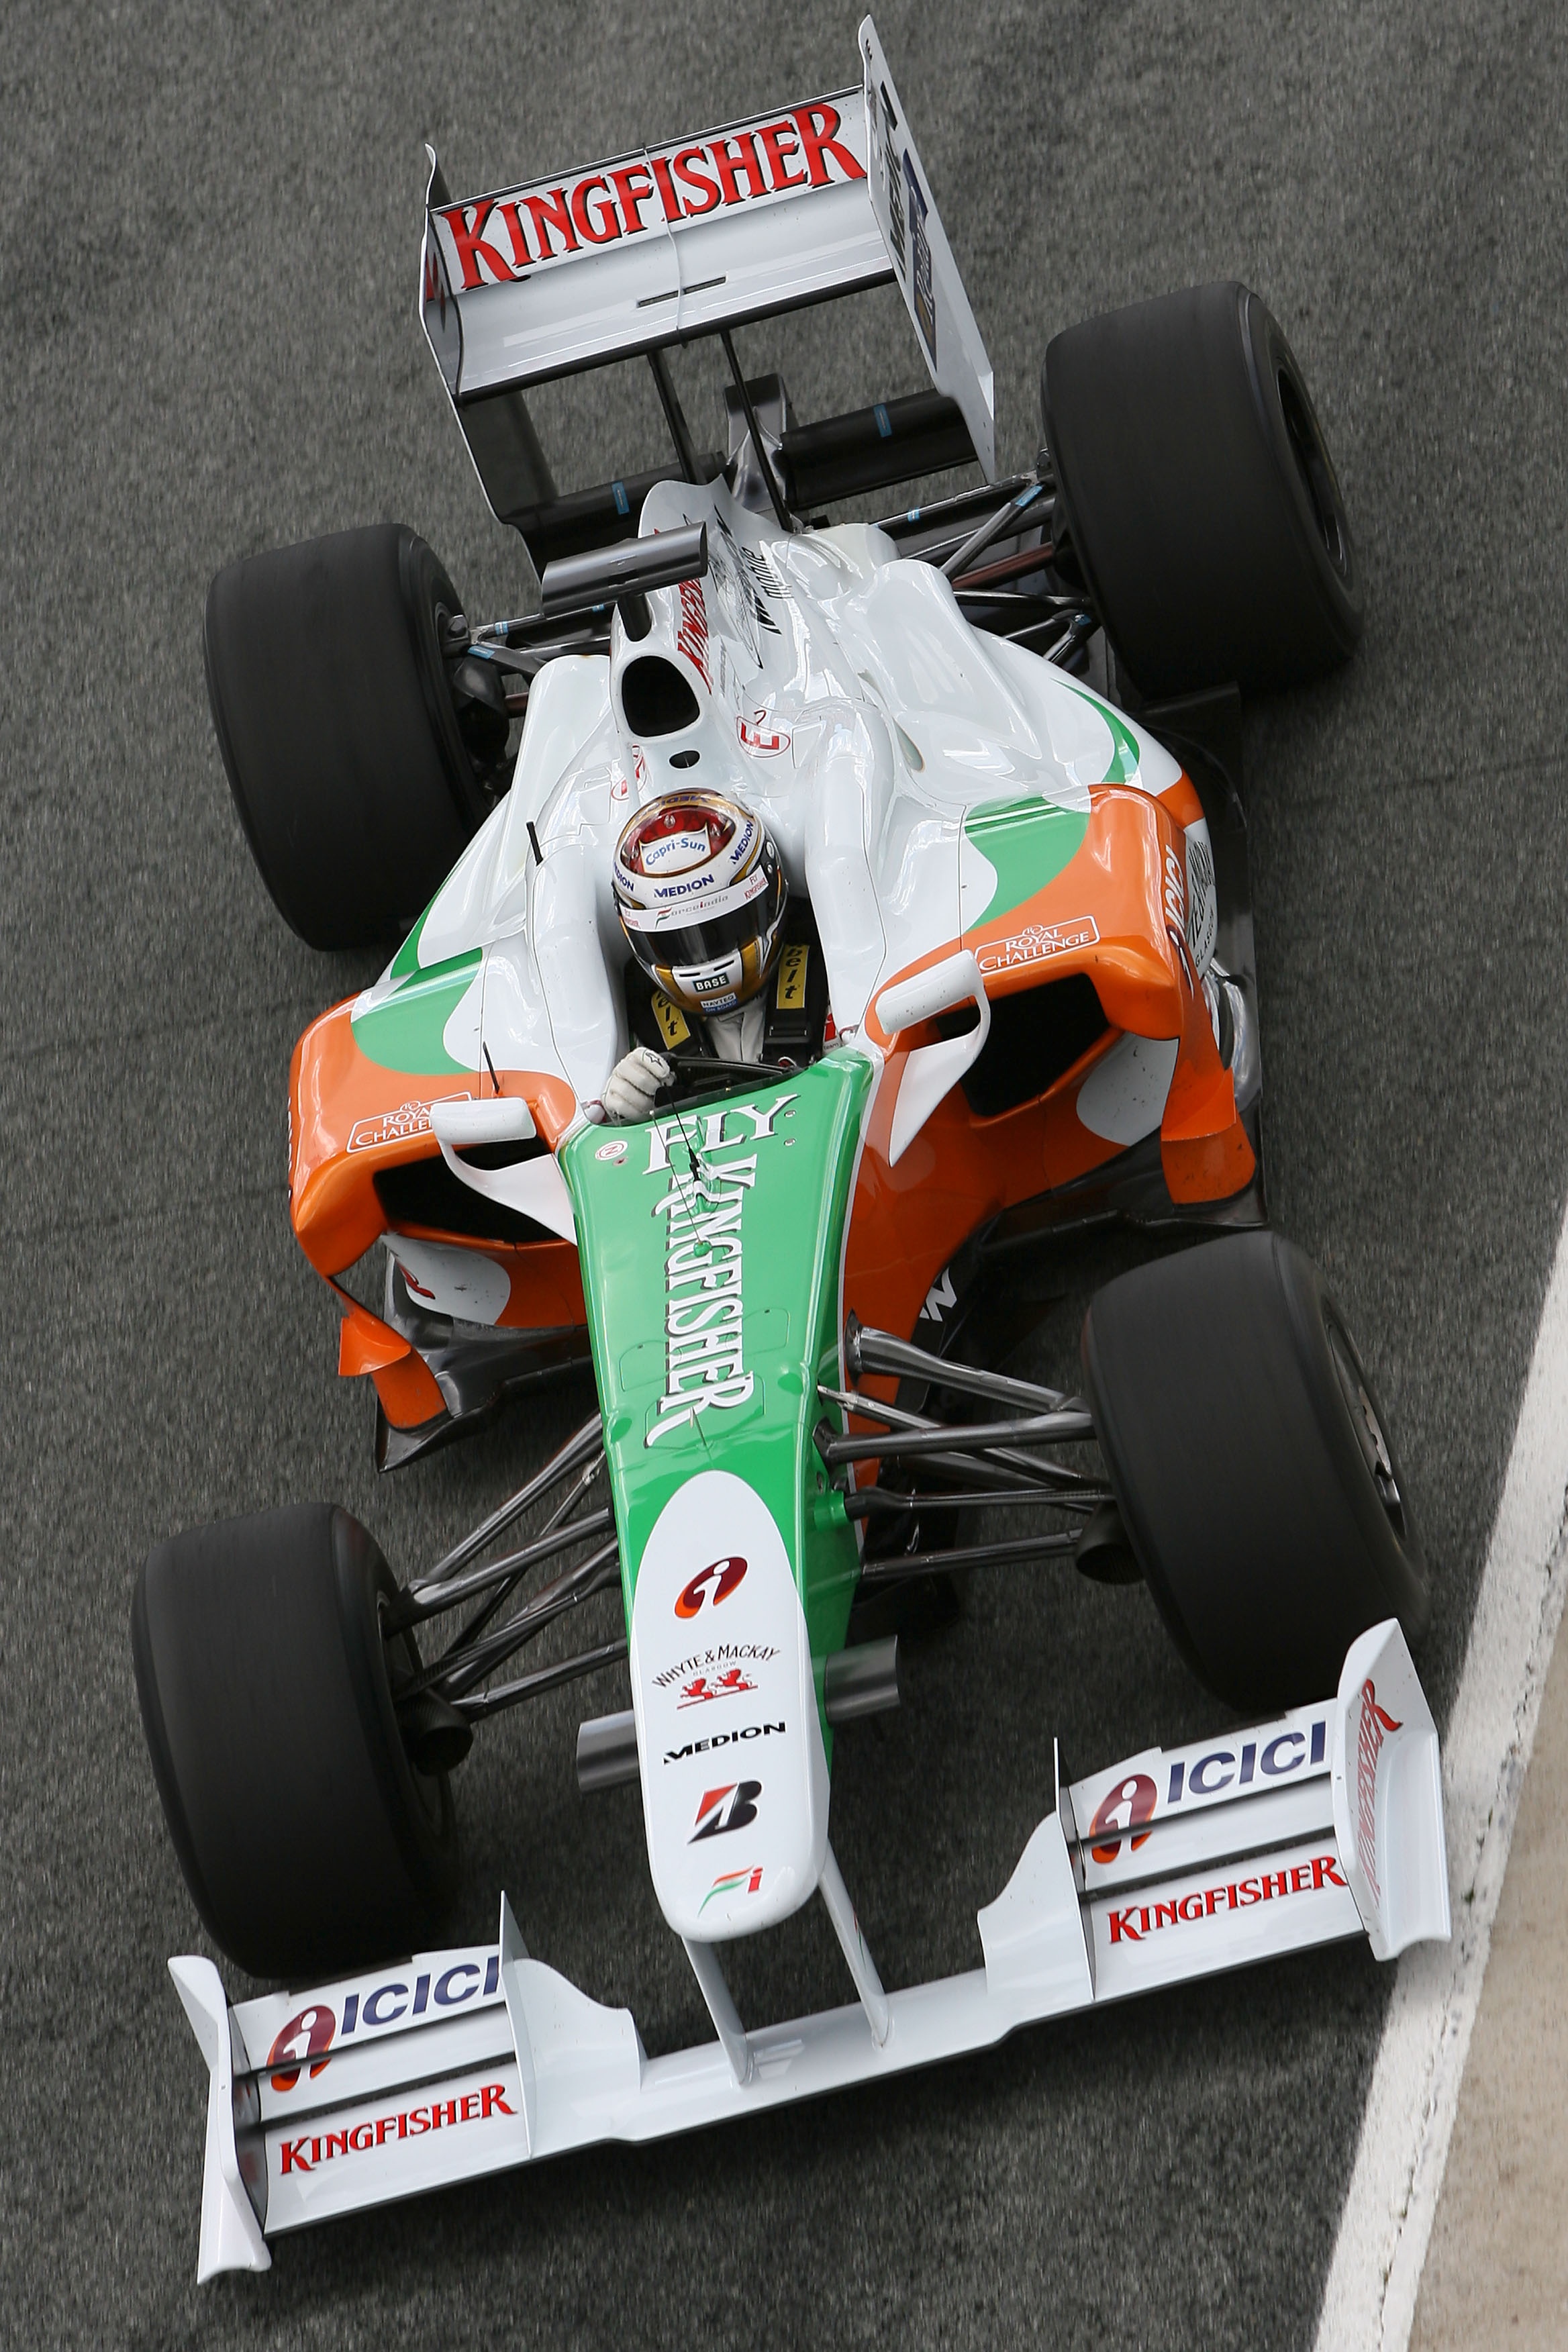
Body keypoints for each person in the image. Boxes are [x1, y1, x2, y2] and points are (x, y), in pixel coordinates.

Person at [601, 786, 827, 1123]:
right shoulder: (632, 1028)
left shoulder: (832, 972)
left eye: (721, 929)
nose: (702, 957)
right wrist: (622, 1113)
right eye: (675, 941)